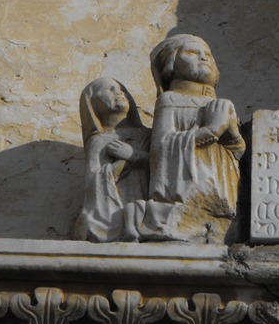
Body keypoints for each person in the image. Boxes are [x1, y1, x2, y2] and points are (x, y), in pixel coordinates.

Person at [141, 34, 245, 240]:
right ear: (171, 63)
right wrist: (212, 130)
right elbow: (161, 147)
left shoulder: (221, 104)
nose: (203, 57)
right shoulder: (170, 99)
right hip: (186, 191)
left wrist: (232, 132)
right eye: (192, 52)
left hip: (221, 192)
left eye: (207, 54)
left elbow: (238, 152)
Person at [73, 77, 149, 242]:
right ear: (93, 103)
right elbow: (93, 179)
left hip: (144, 197)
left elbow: (162, 165)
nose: (119, 92)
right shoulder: (97, 140)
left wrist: (133, 155)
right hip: (113, 209)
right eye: (110, 89)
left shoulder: (145, 135)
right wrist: (120, 165)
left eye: (122, 89)